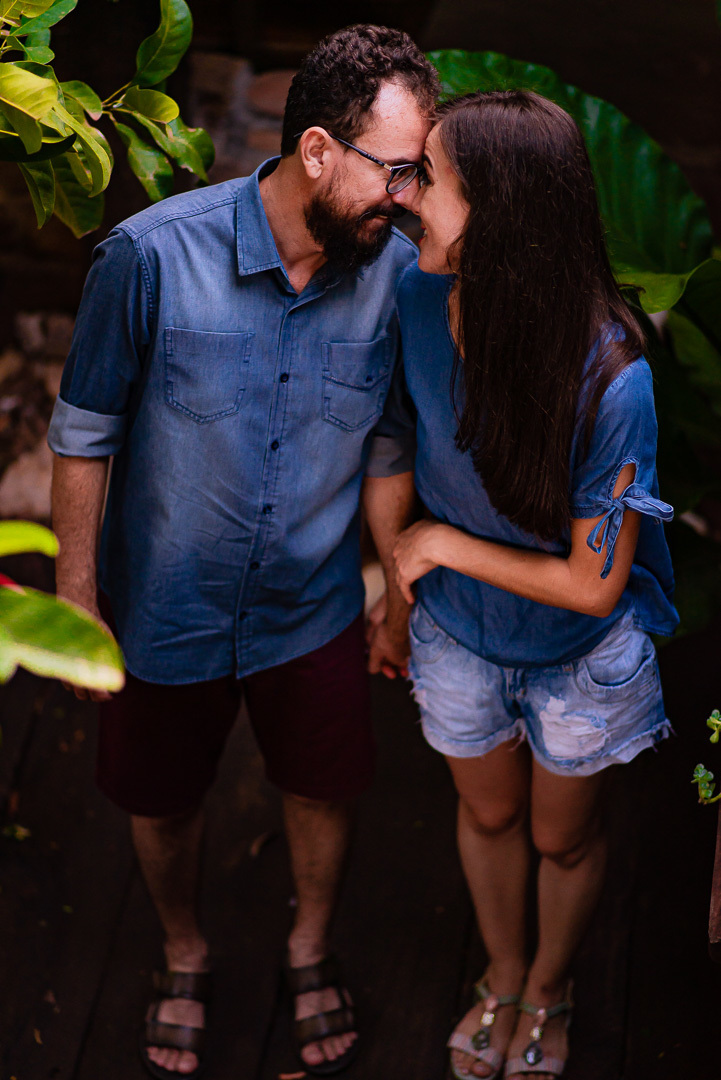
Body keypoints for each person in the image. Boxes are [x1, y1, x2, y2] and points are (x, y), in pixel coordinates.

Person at [47, 25, 437, 1079]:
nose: (406, 194)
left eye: (417, 171)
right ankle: (183, 949)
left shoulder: (394, 276)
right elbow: (84, 436)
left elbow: (390, 445)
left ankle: (309, 948)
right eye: (392, 169)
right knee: (162, 801)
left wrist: (393, 585)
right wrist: (76, 594)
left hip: (309, 605)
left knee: (322, 788)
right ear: (317, 149)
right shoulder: (147, 257)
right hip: (162, 602)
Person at [390, 90, 678, 1080]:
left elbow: (596, 587)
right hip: (458, 638)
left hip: (576, 657)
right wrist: (395, 599)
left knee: (564, 839)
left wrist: (435, 547)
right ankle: (504, 973)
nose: (405, 195)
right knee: (487, 816)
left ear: (503, 214)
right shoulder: (418, 294)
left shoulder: (612, 375)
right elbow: (398, 444)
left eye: (428, 178)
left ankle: (551, 987)